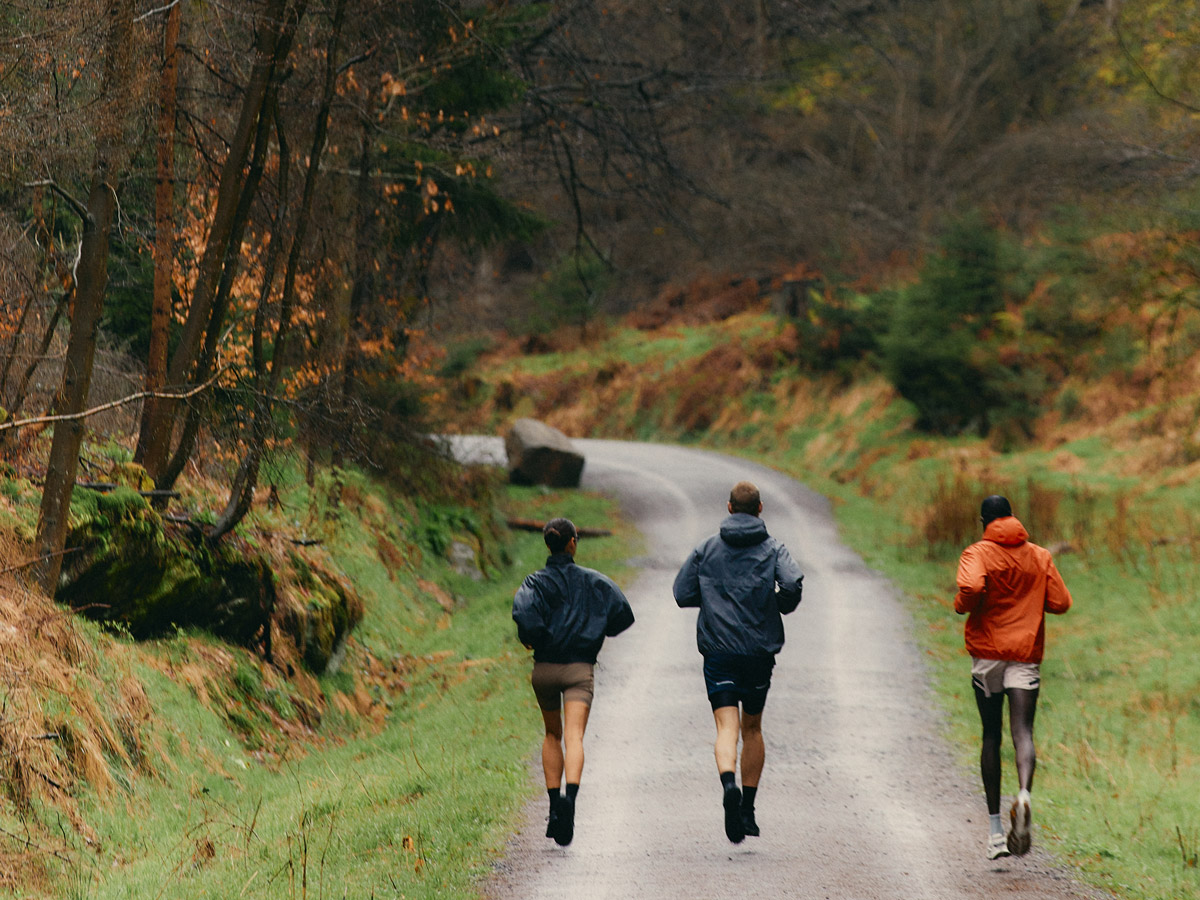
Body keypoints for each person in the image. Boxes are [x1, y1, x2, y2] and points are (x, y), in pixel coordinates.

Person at [672, 481, 804, 844]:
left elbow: (682, 593)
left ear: (729, 508)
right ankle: (747, 809)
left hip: (719, 652)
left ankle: (727, 783)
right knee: (753, 728)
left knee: (725, 728)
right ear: (760, 509)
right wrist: (775, 606)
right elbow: (792, 585)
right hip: (759, 654)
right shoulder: (774, 548)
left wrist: (713, 600)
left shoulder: (706, 548)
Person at [955, 495, 1073, 860]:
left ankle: (994, 832)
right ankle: (1023, 793)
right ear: (1012, 517)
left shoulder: (976, 553)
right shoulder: (1039, 555)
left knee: (991, 734)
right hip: (1024, 655)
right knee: (1023, 731)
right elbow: (1061, 602)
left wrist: (964, 605)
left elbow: (971, 589)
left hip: (988, 656)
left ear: (983, 521)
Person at [512, 517, 634, 846]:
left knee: (552, 734)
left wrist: (534, 638)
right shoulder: (595, 582)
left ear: (547, 544)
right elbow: (624, 614)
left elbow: (523, 614)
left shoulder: (533, 582)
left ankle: (553, 808)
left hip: (545, 669)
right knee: (574, 736)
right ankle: (570, 802)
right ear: (573, 543)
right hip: (579, 670)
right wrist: (594, 631)